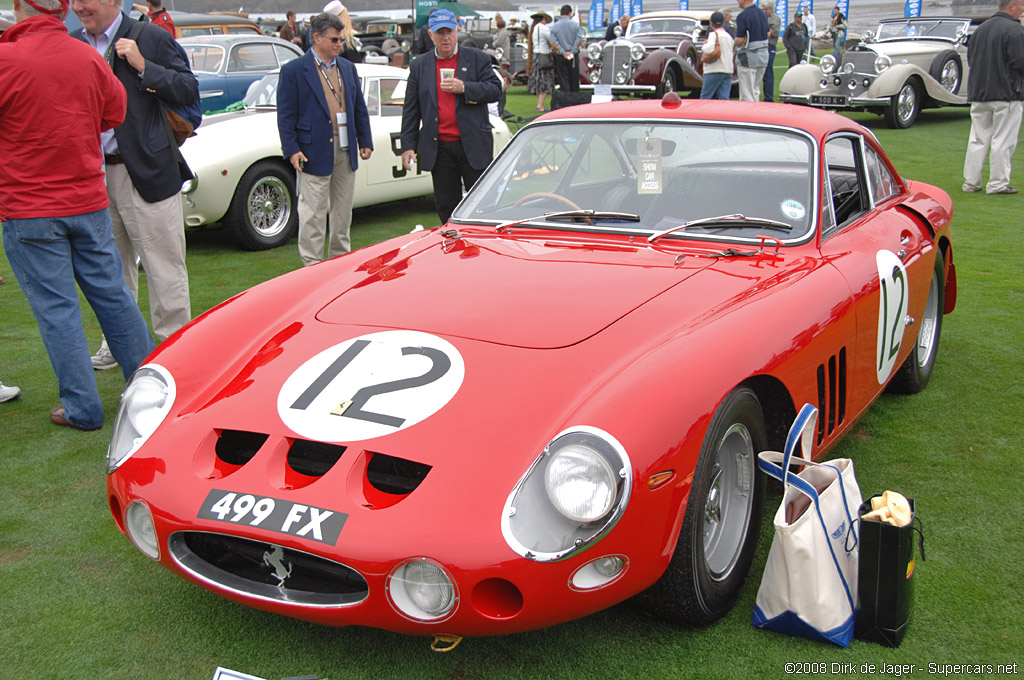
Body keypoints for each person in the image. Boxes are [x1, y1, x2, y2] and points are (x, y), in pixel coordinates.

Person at [2, 0, 155, 430]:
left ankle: (82, 407)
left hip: (30, 208)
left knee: (58, 309)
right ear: (62, 9)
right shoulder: (85, 55)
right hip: (85, 200)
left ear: (19, 7)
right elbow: (115, 111)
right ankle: (152, 391)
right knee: (113, 295)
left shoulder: (8, 59)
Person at [71, 0, 197, 370]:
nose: (78, 6)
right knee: (109, 269)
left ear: (112, 0)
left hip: (148, 171)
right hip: (93, 175)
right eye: (74, 0)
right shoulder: (74, 43)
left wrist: (145, 66)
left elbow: (188, 90)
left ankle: (176, 349)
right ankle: (118, 343)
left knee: (164, 266)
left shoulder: (151, 37)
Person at [277, 12, 373, 266]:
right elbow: (286, 115)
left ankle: (339, 265)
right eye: (333, 40)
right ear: (316, 38)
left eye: (340, 39)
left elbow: (358, 107)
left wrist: (365, 141)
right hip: (313, 151)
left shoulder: (348, 68)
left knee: (342, 214)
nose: (338, 44)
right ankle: (312, 267)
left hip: (345, 149)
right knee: (313, 214)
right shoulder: (294, 71)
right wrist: (292, 149)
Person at [400, 7, 501, 225]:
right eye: (440, 33)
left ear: (457, 31)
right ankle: (451, 249)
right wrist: (407, 145)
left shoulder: (477, 59)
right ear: (430, 35)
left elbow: (495, 89)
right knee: (446, 206)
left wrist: (465, 88)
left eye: (449, 32)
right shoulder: (420, 66)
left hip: (472, 144)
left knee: (481, 204)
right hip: (440, 148)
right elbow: (411, 108)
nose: (445, 38)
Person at [962, 0, 1024, 195]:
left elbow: (971, 59)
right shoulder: (1015, 30)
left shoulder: (980, 30)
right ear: (1012, 5)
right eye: (1022, 5)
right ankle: (997, 184)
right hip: (1006, 94)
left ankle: (971, 182)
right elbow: (1020, 62)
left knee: (977, 139)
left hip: (979, 93)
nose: (1023, 9)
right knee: (1003, 141)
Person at [734, 0, 770, 101]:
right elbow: (768, 34)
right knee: (755, 91)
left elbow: (740, 39)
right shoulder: (762, 14)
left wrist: (730, 44)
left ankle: (747, 115)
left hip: (748, 57)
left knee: (747, 93)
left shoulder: (742, 16)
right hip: (763, 56)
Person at [549, 4, 585, 93]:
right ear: (570, 13)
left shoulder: (554, 27)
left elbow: (554, 43)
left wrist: (563, 52)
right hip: (573, 56)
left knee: (563, 80)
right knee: (574, 80)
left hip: (561, 56)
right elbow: (579, 39)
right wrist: (572, 51)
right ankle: (575, 100)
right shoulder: (576, 25)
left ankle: (565, 100)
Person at [700, 11, 734, 100]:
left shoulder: (713, 34)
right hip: (727, 70)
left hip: (714, 69)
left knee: (705, 97)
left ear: (711, 22)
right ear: (723, 22)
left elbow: (709, 50)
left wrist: (704, 45)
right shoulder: (728, 36)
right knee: (724, 98)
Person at [527, 11, 554, 112]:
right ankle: (540, 105)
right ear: (543, 18)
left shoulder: (534, 28)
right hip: (544, 55)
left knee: (538, 81)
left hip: (536, 56)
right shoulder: (542, 28)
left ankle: (539, 104)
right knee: (545, 81)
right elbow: (551, 40)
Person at [762, 1, 780, 101]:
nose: (764, 11)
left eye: (766, 9)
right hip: (761, 47)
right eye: (763, 9)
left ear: (771, 9)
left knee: (768, 73)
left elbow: (776, 33)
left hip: (770, 47)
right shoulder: (761, 17)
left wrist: (766, 30)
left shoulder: (775, 18)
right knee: (761, 73)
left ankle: (769, 98)